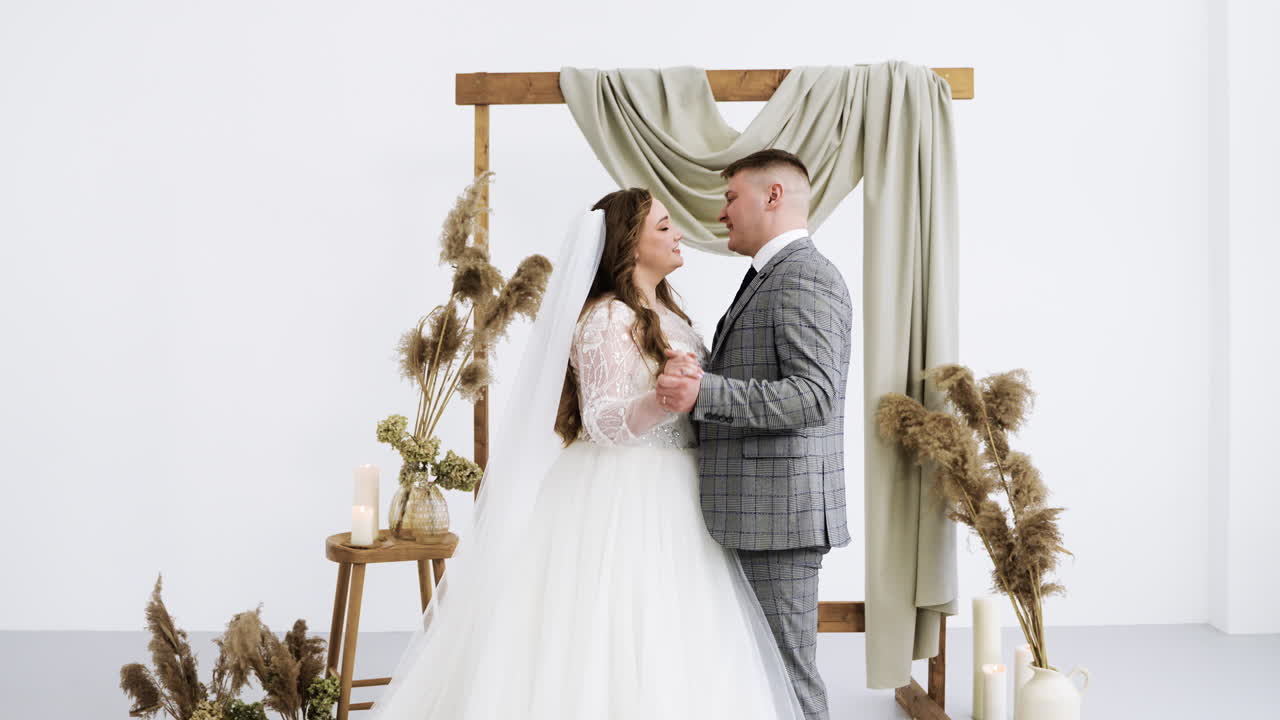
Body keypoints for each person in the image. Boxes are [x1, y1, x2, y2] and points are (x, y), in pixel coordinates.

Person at [366, 188, 806, 719]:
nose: (679, 234)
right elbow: (601, 420)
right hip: (623, 492)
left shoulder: (668, 312)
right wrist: (661, 399)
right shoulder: (604, 317)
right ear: (629, 243)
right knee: (613, 629)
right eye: (664, 227)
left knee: (677, 632)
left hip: (679, 488)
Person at [657, 149, 854, 720]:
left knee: (787, 676)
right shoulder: (772, 275)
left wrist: (704, 393)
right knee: (752, 672)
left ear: (772, 196)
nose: (722, 213)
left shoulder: (805, 277)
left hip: (780, 519)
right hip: (756, 513)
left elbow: (814, 396)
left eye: (729, 197)